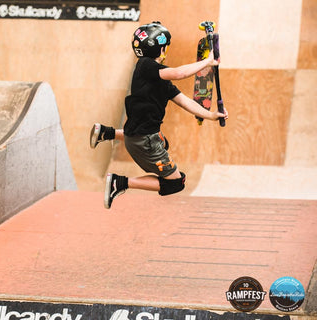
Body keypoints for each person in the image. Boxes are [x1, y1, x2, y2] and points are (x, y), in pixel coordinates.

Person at [90, 21, 228, 209]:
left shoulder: (157, 77)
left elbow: (186, 102)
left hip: (135, 134)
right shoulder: (146, 66)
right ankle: (119, 182)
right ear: (161, 50)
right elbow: (179, 73)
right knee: (175, 183)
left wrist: (212, 115)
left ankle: (107, 133)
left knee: (163, 142)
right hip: (143, 141)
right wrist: (207, 62)